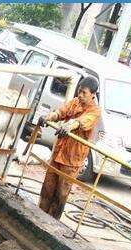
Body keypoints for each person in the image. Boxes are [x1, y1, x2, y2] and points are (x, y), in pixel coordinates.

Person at [38, 75, 101, 220]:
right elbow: (61, 112)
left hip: (72, 159)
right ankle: (39, 214)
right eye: (79, 91)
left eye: (84, 93)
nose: (80, 95)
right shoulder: (75, 102)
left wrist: (69, 125)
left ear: (92, 95)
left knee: (61, 193)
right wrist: (49, 117)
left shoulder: (95, 111)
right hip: (59, 153)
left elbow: (82, 122)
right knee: (48, 187)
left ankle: (53, 221)